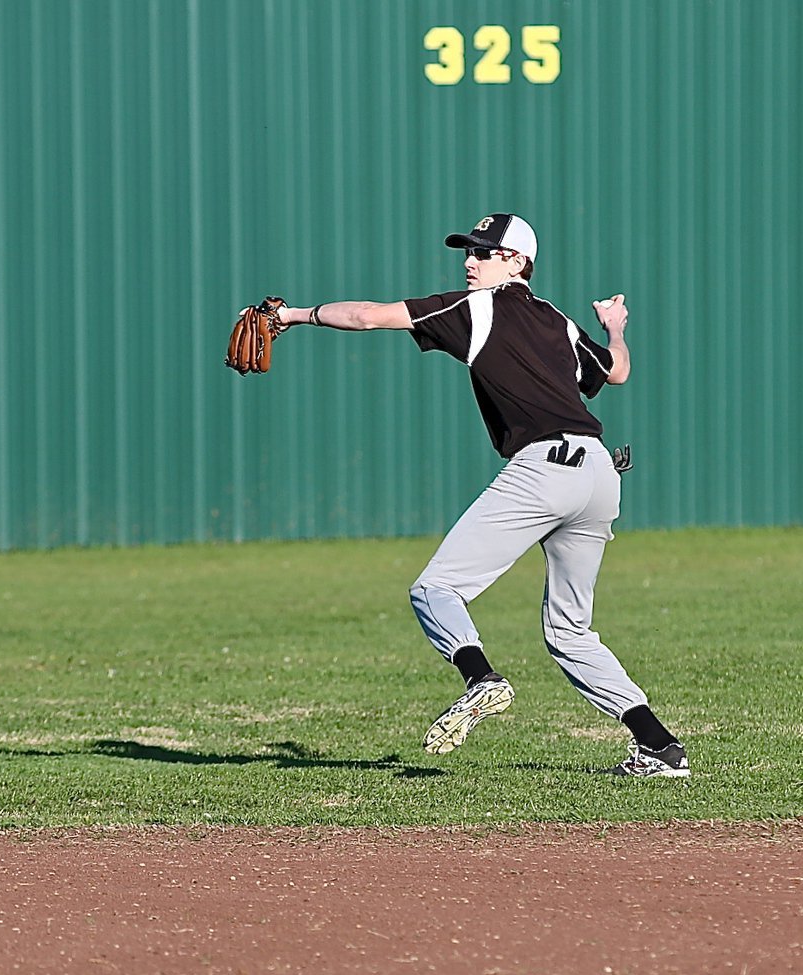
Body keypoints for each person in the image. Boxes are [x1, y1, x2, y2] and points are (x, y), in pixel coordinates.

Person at [273, 213, 688, 777]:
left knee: (436, 589)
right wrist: (615, 327)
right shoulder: (559, 322)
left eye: (485, 252)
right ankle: (660, 748)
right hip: (598, 473)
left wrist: (292, 315)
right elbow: (614, 374)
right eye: (469, 251)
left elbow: (368, 317)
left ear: (516, 262)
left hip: (544, 468)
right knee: (570, 631)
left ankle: (481, 678)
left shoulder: (475, 309)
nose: (471, 261)